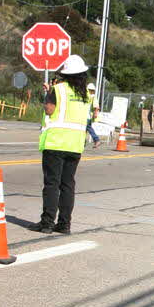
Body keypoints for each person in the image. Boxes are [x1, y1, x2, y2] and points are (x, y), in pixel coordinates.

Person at [31, 54, 91, 235]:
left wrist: (48, 93)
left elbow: (49, 109)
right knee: (67, 185)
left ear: (66, 74)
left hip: (56, 142)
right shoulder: (86, 94)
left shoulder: (58, 89)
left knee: (51, 184)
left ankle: (47, 222)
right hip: (75, 145)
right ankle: (64, 224)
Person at [86, 83, 101, 148]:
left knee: (88, 128)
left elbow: (96, 107)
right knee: (84, 130)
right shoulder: (89, 96)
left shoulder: (93, 97)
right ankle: (82, 143)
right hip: (86, 116)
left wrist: (95, 113)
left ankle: (96, 140)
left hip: (87, 116)